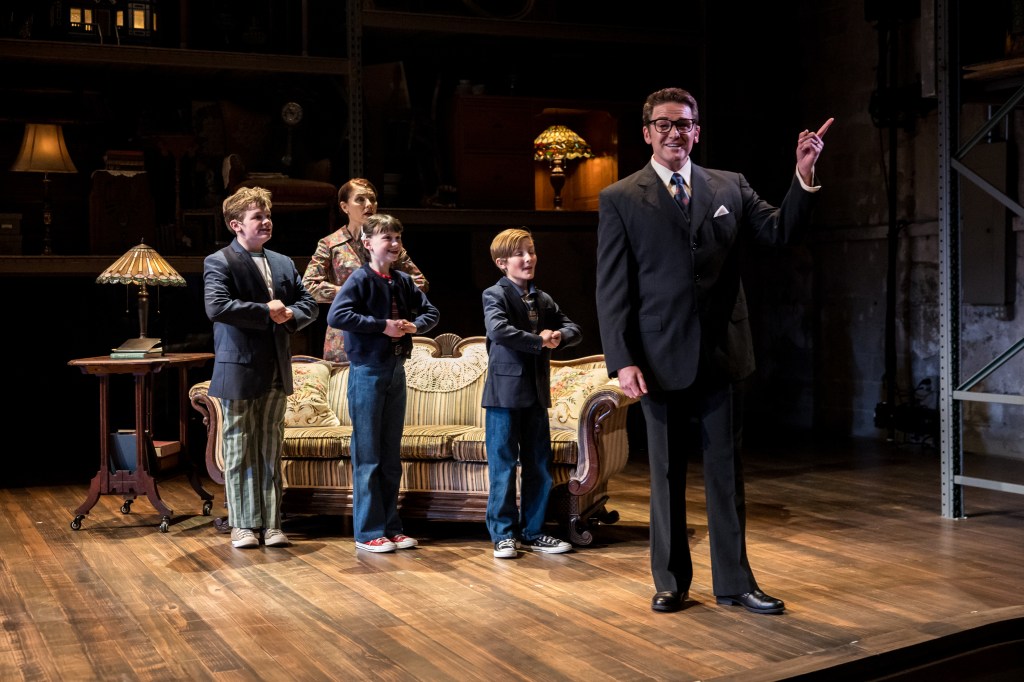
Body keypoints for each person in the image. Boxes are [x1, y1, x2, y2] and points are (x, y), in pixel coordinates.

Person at [595, 87, 830, 614]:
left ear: (697, 131)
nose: (674, 132)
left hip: (723, 353)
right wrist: (622, 359)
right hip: (657, 358)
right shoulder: (620, 198)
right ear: (647, 133)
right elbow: (612, 289)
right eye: (663, 124)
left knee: (726, 474)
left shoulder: (730, 185)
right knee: (666, 475)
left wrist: (803, 174)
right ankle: (671, 582)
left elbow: (780, 232)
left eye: (684, 123)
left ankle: (735, 583)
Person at [203, 186, 319, 549]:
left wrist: (291, 314)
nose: (266, 221)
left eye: (268, 216)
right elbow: (217, 307)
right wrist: (266, 311)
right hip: (239, 368)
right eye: (258, 217)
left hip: (276, 368)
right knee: (239, 447)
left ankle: (271, 524)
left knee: (271, 446)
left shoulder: (282, 262)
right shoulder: (220, 261)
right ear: (236, 224)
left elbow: (309, 303)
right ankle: (242, 525)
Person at [326, 213, 439, 553]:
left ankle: (392, 526)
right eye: (387, 237)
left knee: (390, 454)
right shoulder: (360, 278)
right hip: (367, 371)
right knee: (369, 454)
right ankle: (368, 531)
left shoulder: (402, 280)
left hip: (395, 370)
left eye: (397, 237)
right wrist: (382, 325)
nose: (394, 243)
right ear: (368, 243)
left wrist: (415, 326)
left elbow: (430, 312)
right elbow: (337, 315)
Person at [482, 228, 582, 559]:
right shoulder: (494, 294)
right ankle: (503, 535)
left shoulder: (543, 299)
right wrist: (539, 341)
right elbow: (498, 330)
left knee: (538, 465)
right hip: (504, 394)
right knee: (503, 466)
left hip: (536, 393)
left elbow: (574, 328)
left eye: (531, 251)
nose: (528, 259)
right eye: (520, 254)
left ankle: (534, 532)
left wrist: (559, 336)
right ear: (502, 262)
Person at [303, 178, 429, 362]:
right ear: (345, 207)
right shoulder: (330, 244)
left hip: (386, 333)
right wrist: (350, 293)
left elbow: (420, 283)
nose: (369, 204)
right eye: (360, 199)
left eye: (372, 199)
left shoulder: (389, 243)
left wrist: (386, 294)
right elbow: (308, 286)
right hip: (344, 337)